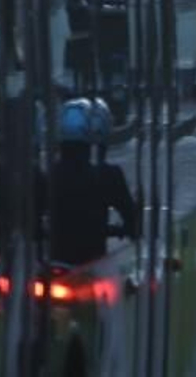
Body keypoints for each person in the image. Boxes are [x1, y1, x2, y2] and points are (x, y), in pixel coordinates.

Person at [46, 97, 138, 267]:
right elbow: (131, 218)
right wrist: (127, 229)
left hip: (55, 263)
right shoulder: (109, 175)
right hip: (92, 264)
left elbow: (33, 221)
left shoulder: (50, 174)